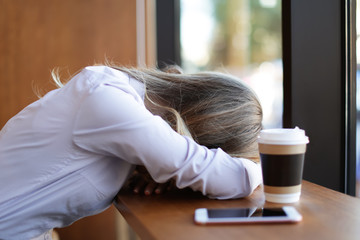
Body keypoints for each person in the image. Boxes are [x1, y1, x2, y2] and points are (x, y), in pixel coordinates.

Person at [0, 64, 263, 239]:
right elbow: (232, 178)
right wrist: (264, 170)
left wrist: (155, 173)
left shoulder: (121, 101)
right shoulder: (110, 100)